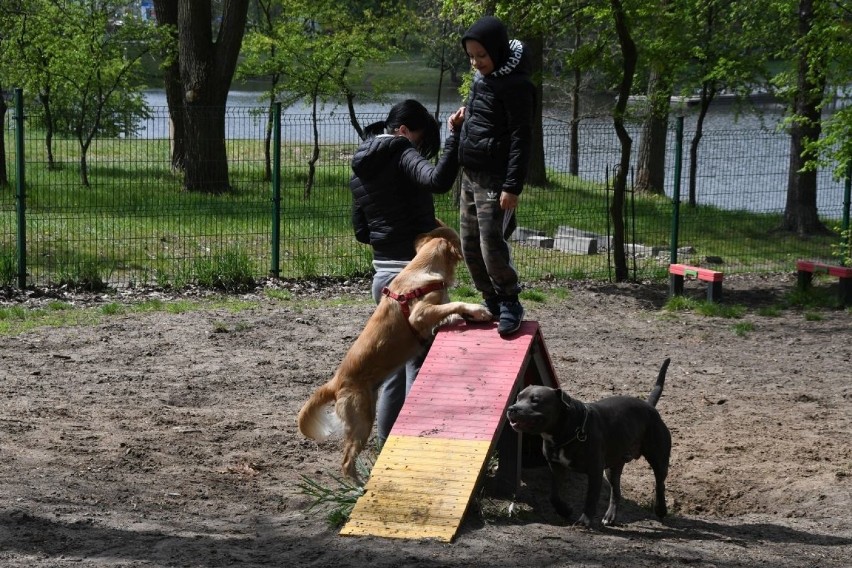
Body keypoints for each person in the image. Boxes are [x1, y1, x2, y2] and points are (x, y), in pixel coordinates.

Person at [349, 99, 464, 448]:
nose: (418, 149)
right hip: (413, 276)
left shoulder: (361, 165)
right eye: (418, 140)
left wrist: (391, 231)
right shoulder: (400, 150)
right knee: (419, 363)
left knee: (394, 367)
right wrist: (453, 137)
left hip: (382, 276)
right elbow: (439, 180)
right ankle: (412, 444)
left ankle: (386, 445)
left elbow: (361, 231)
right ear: (402, 131)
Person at [455, 15, 535, 337]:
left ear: (498, 50)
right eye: (471, 56)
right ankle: (490, 300)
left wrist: (512, 186)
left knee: (491, 243)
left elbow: (521, 138)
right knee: (469, 244)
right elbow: (482, 116)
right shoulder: (479, 80)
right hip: (470, 175)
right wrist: (462, 121)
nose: (476, 62)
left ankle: (510, 301)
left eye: (482, 56)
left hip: (495, 180)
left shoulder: (518, 86)